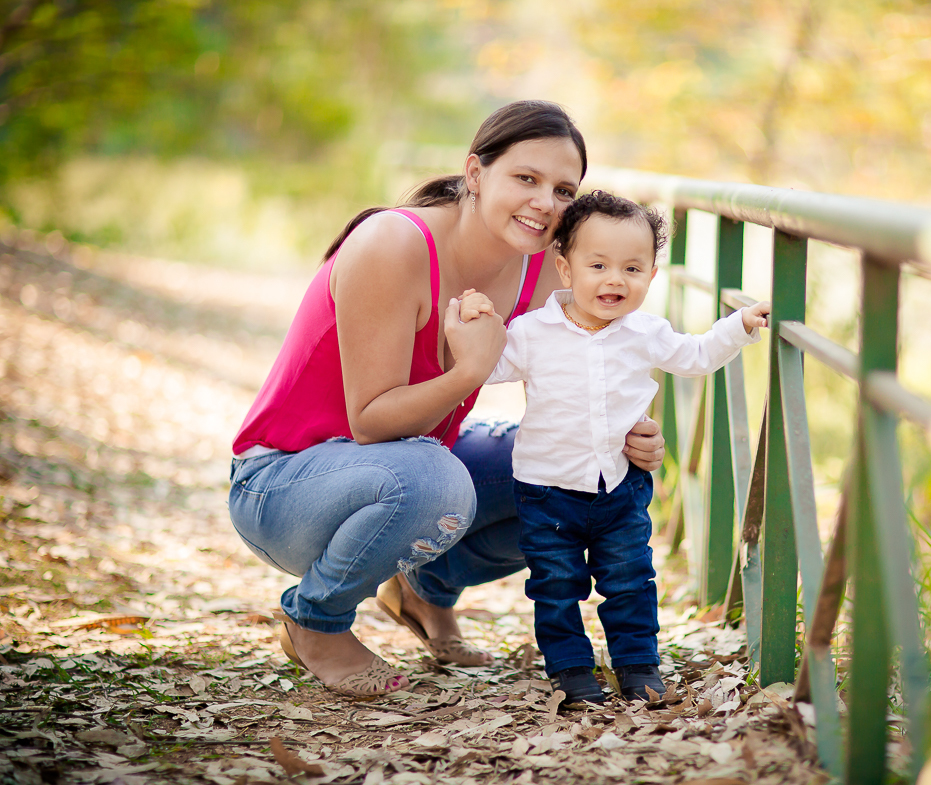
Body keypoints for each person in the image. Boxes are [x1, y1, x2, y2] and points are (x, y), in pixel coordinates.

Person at [226, 102, 666, 698]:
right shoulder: (392, 244)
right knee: (437, 482)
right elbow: (371, 422)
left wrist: (630, 432)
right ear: (476, 173)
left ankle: (424, 590)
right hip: (284, 485)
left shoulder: (543, 268)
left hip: (412, 467)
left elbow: (586, 371)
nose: (545, 202)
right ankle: (316, 621)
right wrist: (471, 371)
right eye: (526, 178)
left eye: (564, 190)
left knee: (572, 472)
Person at [460, 190, 770, 704]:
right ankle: (571, 670)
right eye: (598, 265)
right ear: (565, 268)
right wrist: (474, 325)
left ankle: (638, 664)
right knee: (555, 583)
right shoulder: (532, 332)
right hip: (547, 488)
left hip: (621, 484)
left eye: (632, 268)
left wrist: (738, 326)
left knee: (630, 579)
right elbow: (485, 369)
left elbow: (696, 356)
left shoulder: (646, 332)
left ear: (652, 275)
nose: (615, 280)